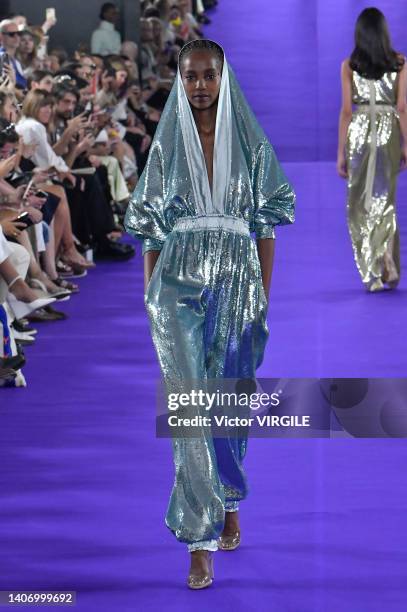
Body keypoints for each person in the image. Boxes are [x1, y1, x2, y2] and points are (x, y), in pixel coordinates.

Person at [124, 39, 295, 589]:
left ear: (223, 78)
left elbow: (267, 224)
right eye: (190, 76)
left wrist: (262, 295)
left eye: (208, 75)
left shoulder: (249, 142)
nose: (199, 85)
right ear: (178, 79)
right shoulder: (166, 147)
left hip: (238, 280)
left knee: (228, 398)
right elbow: (150, 227)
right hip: (177, 280)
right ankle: (199, 541)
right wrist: (151, 293)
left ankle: (227, 495)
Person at [337, 7, 407, 292]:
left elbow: (345, 112)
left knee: (360, 202)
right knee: (386, 198)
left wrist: (341, 153)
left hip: (361, 132)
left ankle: (373, 267)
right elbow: (402, 108)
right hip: (388, 129)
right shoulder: (400, 63)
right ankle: (386, 260)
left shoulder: (349, 66)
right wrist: (406, 143)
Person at [0, 19, 27, 89]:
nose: (17, 37)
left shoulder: (17, 62)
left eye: (18, 33)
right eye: (11, 34)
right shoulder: (1, 57)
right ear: (1, 36)